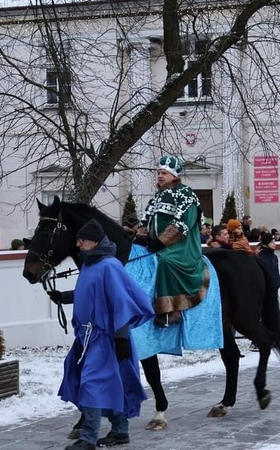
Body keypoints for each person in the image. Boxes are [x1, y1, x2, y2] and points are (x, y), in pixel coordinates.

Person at [52, 219, 155, 450]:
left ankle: (88, 438)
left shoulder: (110, 266)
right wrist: (65, 297)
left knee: (92, 383)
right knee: (108, 383)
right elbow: (89, 291)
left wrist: (120, 337)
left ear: (95, 242)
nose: (78, 244)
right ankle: (120, 431)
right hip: (89, 339)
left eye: (82, 240)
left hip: (107, 339)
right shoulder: (90, 264)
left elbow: (122, 302)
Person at [141, 155, 208, 327]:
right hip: (160, 245)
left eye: (164, 173)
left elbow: (183, 222)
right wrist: (140, 237)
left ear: (174, 175)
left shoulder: (185, 193)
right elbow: (145, 220)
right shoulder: (157, 197)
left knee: (165, 262)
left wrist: (161, 241)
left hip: (182, 246)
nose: (160, 176)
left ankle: (171, 311)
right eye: (158, 173)